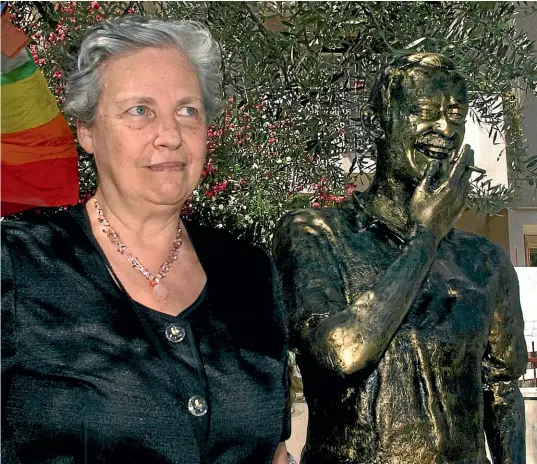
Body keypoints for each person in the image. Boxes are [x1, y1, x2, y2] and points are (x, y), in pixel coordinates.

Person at [2, 16, 291, 463]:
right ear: (87, 130)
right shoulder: (19, 264)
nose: (171, 136)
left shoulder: (249, 273)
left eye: (187, 110)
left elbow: (272, 449)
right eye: (140, 110)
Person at [273, 53, 527, 464]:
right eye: (427, 111)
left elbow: (501, 390)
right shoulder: (315, 234)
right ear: (379, 123)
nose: (445, 129)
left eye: (456, 114)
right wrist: (425, 236)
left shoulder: (484, 261)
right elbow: (343, 353)